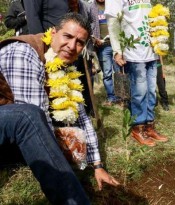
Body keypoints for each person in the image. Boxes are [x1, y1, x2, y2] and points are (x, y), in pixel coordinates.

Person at [0, 13, 119, 203]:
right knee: (28, 116)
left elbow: (81, 117)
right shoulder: (24, 53)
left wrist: (97, 165)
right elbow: (34, 124)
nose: (72, 46)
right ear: (53, 33)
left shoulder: (62, 61)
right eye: (68, 37)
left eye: (80, 42)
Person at [105, 0, 168, 147]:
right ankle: (137, 127)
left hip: (151, 51)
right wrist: (117, 51)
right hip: (133, 51)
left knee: (152, 91)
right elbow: (113, 22)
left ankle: (149, 126)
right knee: (140, 92)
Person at [90, 0, 121, 106]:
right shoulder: (91, 7)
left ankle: (121, 98)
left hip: (116, 45)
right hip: (102, 47)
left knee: (119, 72)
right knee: (107, 73)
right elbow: (90, 26)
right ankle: (111, 97)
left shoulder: (113, 5)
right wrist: (95, 39)